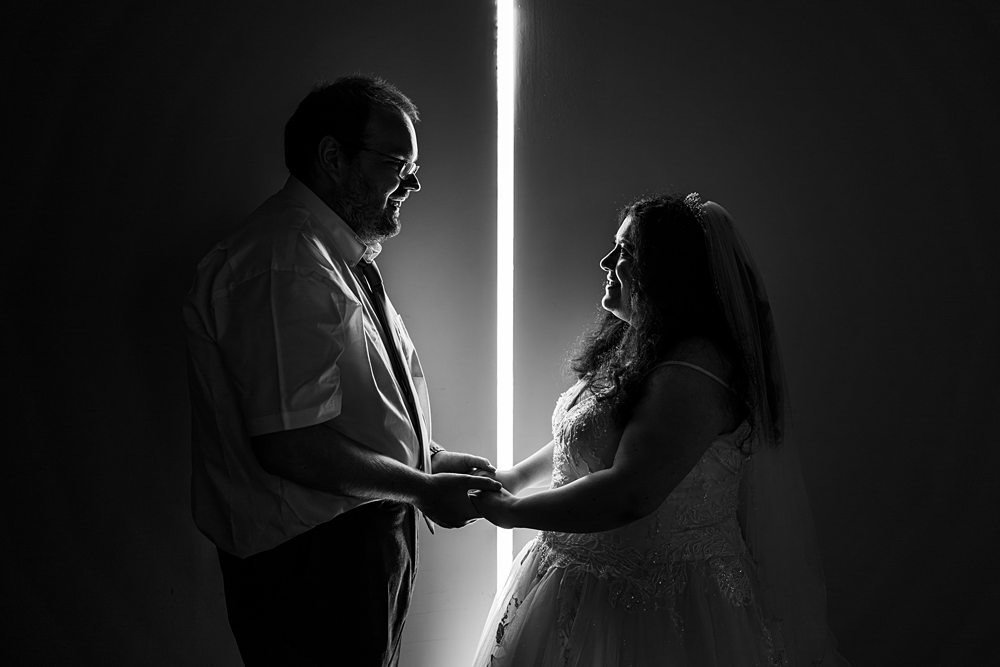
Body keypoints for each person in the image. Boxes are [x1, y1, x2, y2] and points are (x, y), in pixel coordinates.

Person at [183, 75, 500, 667]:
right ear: (332, 157)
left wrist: (426, 457)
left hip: (350, 537)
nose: (412, 183)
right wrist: (421, 487)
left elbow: (348, 405)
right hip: (312, 561)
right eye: (397, 164)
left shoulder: (328, 255)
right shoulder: (286, 261)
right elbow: (290, 442)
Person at [469, 194, 848, 666]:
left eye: (626, 251)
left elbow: (631, 492)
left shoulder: (695, 370)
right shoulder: (640, 344)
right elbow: (587, 437)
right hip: (583, 580)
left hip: (660, 607)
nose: (606, 261)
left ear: (668, 272)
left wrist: (511, 511)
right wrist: (513, 478)